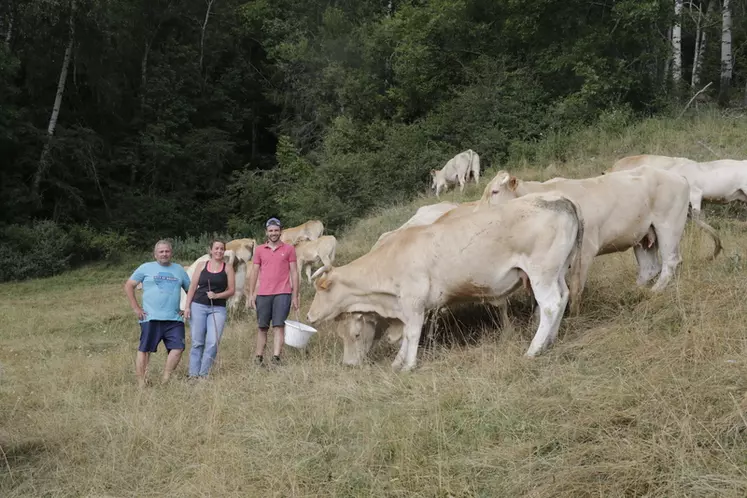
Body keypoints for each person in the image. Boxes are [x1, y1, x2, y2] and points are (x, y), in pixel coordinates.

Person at [124, 240, 191, 388]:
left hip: (174, 318)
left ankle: (166, 379)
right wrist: (136, 308)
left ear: (171, 253)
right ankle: (142, 382)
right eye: (161, 252)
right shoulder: (145, 268)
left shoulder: (179, 269)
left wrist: (186, 307)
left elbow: (190, 290)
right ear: (155, 254)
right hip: (150, 318)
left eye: (167, 251)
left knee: (178, 348)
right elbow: (129, 285)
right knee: (145, 350)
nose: (164, 254)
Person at [247, 217, 300, 366]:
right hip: (263, 293)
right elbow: (254, 272)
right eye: (271, 231)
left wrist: (295, 295)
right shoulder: (259, 250)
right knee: (262, 327)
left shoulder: (289, 249)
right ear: (266, 232)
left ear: (281, 231)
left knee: (279, 326)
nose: (274, 233)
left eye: (276, 230)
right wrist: (252, 294)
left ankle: (276, 358)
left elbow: (294, 273)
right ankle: (259, 357)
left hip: (283, 293)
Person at [183, 239, 236, 379]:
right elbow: (192, 287)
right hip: (198, 305)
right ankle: (193, 374)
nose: (219, 251)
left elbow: (232, 290)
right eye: (216, 248)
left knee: (213, 342)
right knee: (197, 342)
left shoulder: (228, 267)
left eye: (221, 249)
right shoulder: (201, 265)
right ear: (211, 250)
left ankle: (203, 374)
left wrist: (217, 295)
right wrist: (187, 307)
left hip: (218, 308)